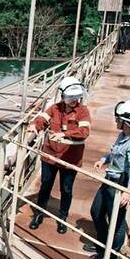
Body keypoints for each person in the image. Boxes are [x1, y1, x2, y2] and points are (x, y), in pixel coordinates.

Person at [87, 100, 130, 259]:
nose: (116, 121)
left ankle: (111, 254)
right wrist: (103, 160)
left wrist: (129, 191)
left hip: (120, 184)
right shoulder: (122, 135)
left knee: (116, 221)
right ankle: (103, 245)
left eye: (119, 119)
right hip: (110, 180)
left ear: (127, 123)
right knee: (96, 211)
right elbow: (115, 153)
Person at [27, 77, 91, 234]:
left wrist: (65, 134)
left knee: (66, 189)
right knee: (45, 185)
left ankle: (62, 219)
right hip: (50, 155)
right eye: (71, 97)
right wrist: (34, 125)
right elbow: (42, 119)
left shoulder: (83, 111)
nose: (74, 101)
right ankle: (38, 215)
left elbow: (84, 132)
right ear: (63, 96)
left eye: (76, 97)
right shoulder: (54, 108)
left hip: (70, 159)